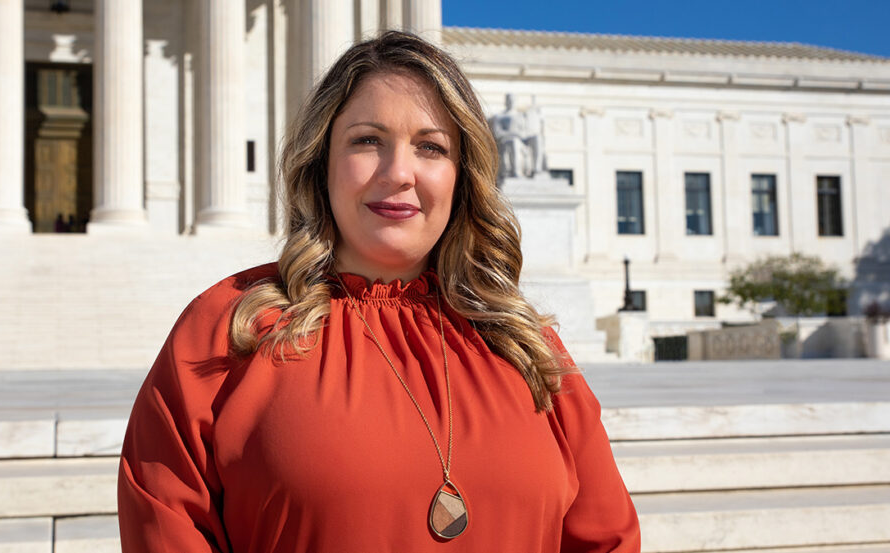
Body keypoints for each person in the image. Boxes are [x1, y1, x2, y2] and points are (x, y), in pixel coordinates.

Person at [118, 31, 639, 553]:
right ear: (322, 161)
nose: (399, 174)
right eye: (367, 141)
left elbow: (607, 537)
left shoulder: (527, 347)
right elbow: (165, 526)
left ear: (463, 176)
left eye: (431, 147)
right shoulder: (227, 328)